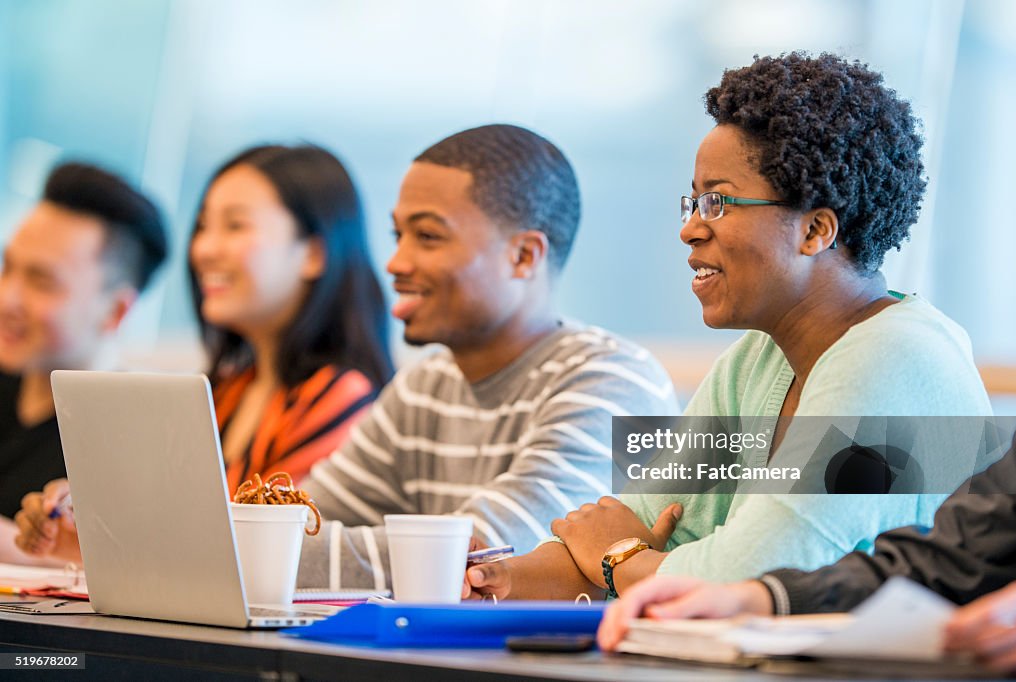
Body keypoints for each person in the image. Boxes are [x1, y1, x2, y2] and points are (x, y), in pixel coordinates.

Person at [464, 52, 991, 602]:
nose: (689, 229)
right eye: (693, 202)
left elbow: (761, 572)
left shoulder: (897, 360)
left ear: (814, 230)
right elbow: (638, 522)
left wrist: (623, 560)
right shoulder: (757, 361)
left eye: (716, 202)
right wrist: (488, 579)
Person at [295, 123, 680, 590]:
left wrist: (265, 549)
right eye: (398, 235)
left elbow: (478, 566)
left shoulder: (614, 381)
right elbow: (298, 520)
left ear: (523, 256)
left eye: (428, 237)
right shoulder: (425, 386)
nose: (395, 262)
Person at [14, 144, 394, 562]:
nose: (204, 249)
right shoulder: (224, 391)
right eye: (202, 226)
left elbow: (266, 557)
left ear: (315, 253)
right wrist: (80, 531)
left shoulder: (337, 398)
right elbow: (162, 547)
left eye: (235, 226)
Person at [596, 424, 1016, 675]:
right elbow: (942, 560)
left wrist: (623, 559)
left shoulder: (889, 355)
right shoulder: (748, 358)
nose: (689, 263)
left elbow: (750, 554)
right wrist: (758, 596)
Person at [0, 162, 168, 562]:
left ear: (115, 311)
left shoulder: (139, 437)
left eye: (42, 281)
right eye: (7, 269)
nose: (8, 299)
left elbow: (132, 573)